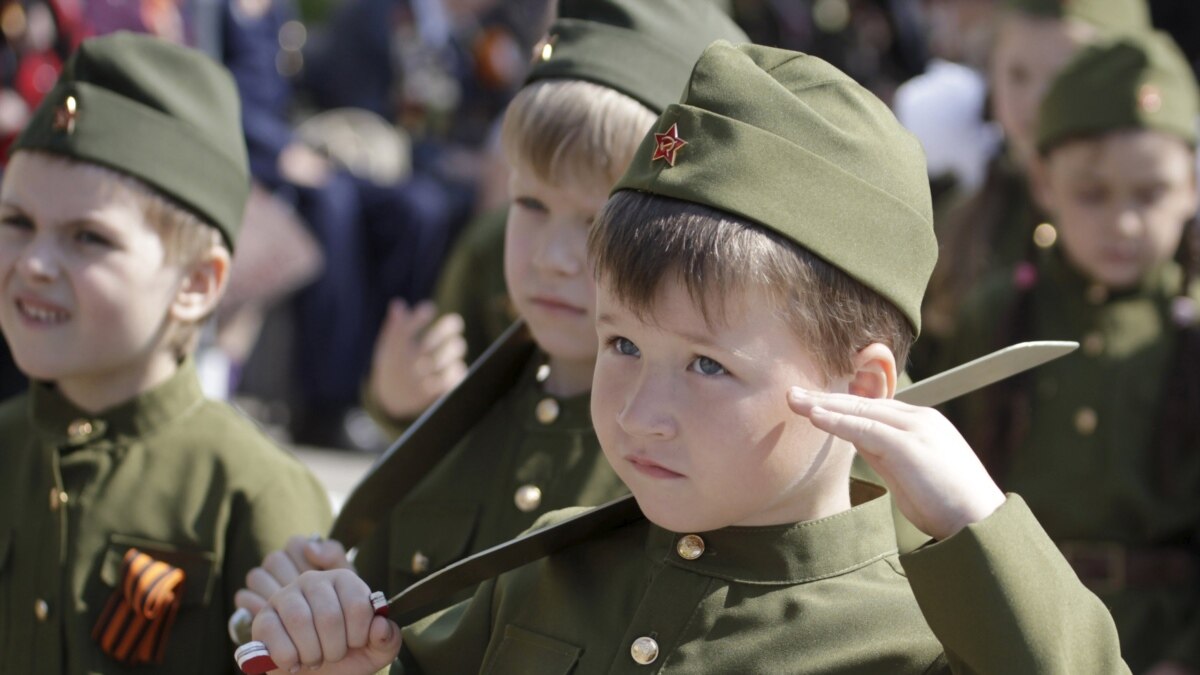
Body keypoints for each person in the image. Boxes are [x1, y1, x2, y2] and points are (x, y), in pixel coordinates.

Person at [245, 40, 1130, 674]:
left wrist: (978, 525)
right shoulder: (546, 569)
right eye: (621, 341)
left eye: (707, 363)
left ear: (859, 390)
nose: (634, 410)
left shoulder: (921, 636)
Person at [231, 0, 749, 625]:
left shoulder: (679, 459)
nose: (554, 258)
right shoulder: (476, 409)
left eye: (598, 221)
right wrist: (408, 411)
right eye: (528, 203)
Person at [0, 33, 332, 673]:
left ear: (197, 283)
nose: (35, 263)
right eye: (16, 223)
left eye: (87, 237)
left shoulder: (252, 493)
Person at [945, 31, 1200, 674]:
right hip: (1016, 626)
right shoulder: (995, 317)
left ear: (1193, 185)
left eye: (1151, 193)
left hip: (1164, 637)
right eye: (1093, 193)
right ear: (1043, 182)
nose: (1125, 224)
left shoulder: (1192, 331)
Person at [912, 0, 1151, 377]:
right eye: (1017, 75)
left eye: (1067, 74)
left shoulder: (1162, 231)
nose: (1036, 102)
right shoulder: (955, 221)